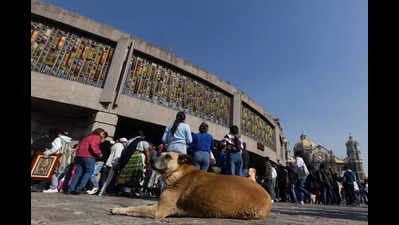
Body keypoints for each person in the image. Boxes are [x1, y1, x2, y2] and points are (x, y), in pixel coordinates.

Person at [67, 128, 106, 194]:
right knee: (89, 172)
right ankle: (79, 188)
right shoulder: (96, 137)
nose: (103, 135)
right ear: (100, 132)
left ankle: (71, 188)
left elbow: (79, 146)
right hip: (88, 157)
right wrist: (99, 153)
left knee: (77, 173)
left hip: (79, 156)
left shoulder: (86, 137)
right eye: (103, 133)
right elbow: (94, 146)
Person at [116, 130, 151, 197]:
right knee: (135, 175)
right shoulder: (143, 142)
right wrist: (148, 161)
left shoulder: (130, 141)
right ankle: (132, 191)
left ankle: (123, 190)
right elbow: (147, 152)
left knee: (126, 173)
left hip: (129, 157)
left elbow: (124, 150)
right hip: (138, 156)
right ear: (143, 136)